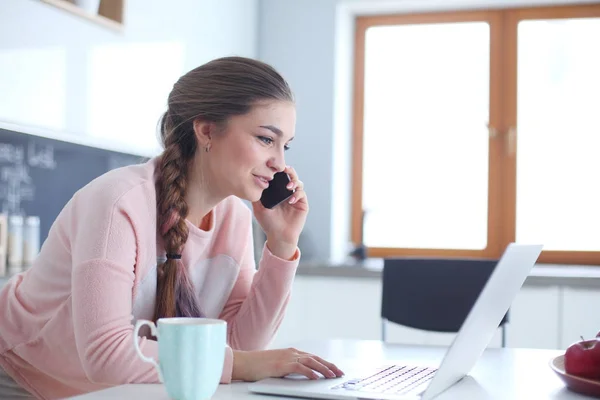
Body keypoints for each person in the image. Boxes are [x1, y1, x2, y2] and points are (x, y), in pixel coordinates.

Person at [0, 56, 344, 399]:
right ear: (207, 130)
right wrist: (245, 365)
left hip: (105, 390)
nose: (280, 163)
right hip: (19, 374)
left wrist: (282, 244)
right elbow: (105, 354)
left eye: (285, 145)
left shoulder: (235, 219)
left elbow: (235, 344)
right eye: (266, 139)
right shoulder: (118, 202)